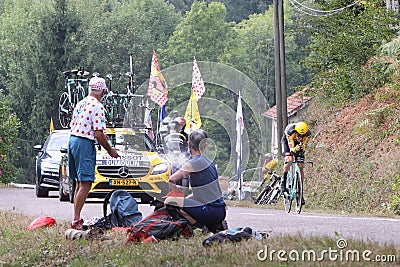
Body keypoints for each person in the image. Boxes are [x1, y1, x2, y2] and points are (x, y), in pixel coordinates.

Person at [68, 76, 120, 229]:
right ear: (103, 91)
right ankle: (76, 219)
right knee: (86, 182)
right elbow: (98, 133)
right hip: (84, 141)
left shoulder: (81, 103)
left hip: (73, 140)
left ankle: (76, 217)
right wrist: (110, 150)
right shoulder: (97, 106)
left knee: (80, 181)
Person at [163, 129, 227, 232]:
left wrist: (176, 193)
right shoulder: (209, 163)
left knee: (170, 201)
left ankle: (199, 227)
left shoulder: (193, 163)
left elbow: (171, 180)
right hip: (220, 211)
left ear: (188, 144)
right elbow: (204, 192)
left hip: (210, 211)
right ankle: (213, 225)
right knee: (182, 203)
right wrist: (186, 200)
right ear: (205, 145)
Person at [279, 122, 311, 204]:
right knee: (289, 159)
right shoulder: (291, 132)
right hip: (288, 142)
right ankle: (284, 179)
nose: (300, 138)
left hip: (298, 145)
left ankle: (300, 192)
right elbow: (292, 149)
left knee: (301, 166)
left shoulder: (308, 135)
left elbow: (303, 147)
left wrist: (301, 148)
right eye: (299, 135)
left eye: (302, 136)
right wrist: (295, 149)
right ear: (295, 132)